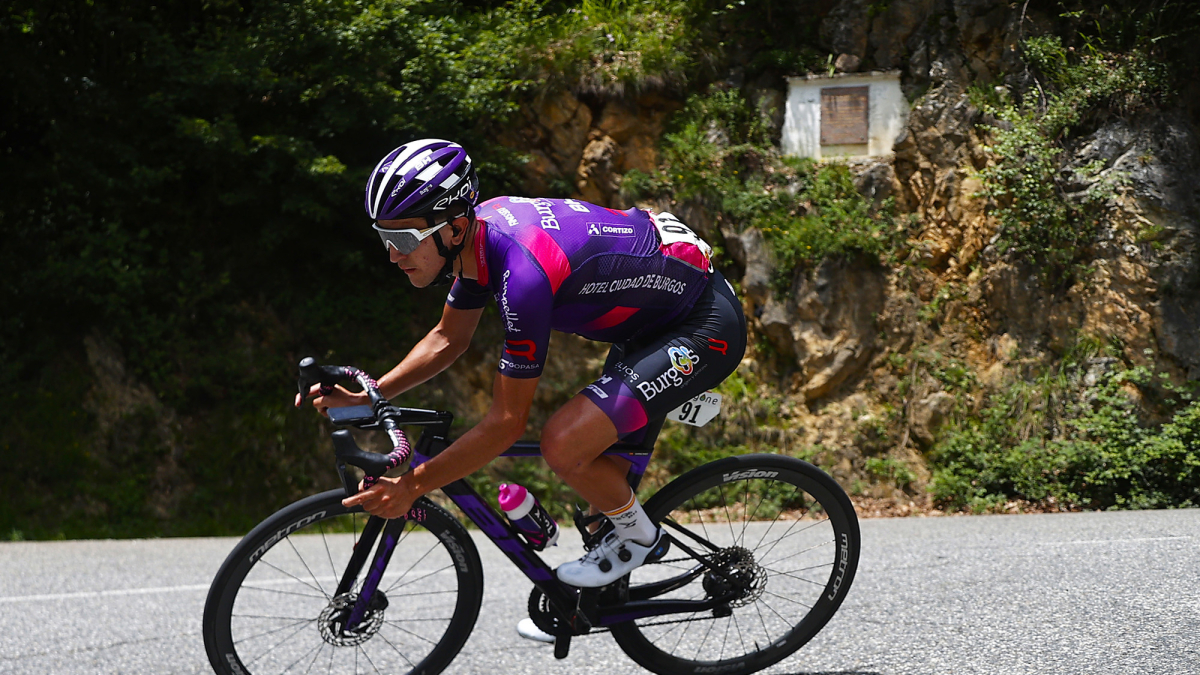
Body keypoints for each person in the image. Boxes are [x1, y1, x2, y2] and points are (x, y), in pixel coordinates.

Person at [298, 138, 747, 595]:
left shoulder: (524, 274)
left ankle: (641, 540)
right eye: (384, 238)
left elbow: (506, 424)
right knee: (596, 506)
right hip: (649, 323)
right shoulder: (477, 240)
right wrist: (371, 395)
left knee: (563, 443)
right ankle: (588, 605)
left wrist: (413, 486)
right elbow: (448, 338)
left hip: (702, 325)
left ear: (453, 227)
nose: (393, 255)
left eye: (402, 239)